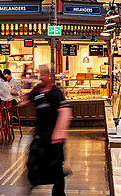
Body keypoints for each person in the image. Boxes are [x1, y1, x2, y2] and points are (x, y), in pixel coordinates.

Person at [21, 63, 71, 196]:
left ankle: (58, 194)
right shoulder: (37, 90)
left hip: (54, 135)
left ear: (49, 76)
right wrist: (25, 84)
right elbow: (24, 101)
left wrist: (59, 132)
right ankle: (36, 181)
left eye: (43, 75)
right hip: (40, 133)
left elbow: (65, 112)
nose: (40, 77)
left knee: (56, 167)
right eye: (39, 74)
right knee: (32, 163)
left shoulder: (56, 92)